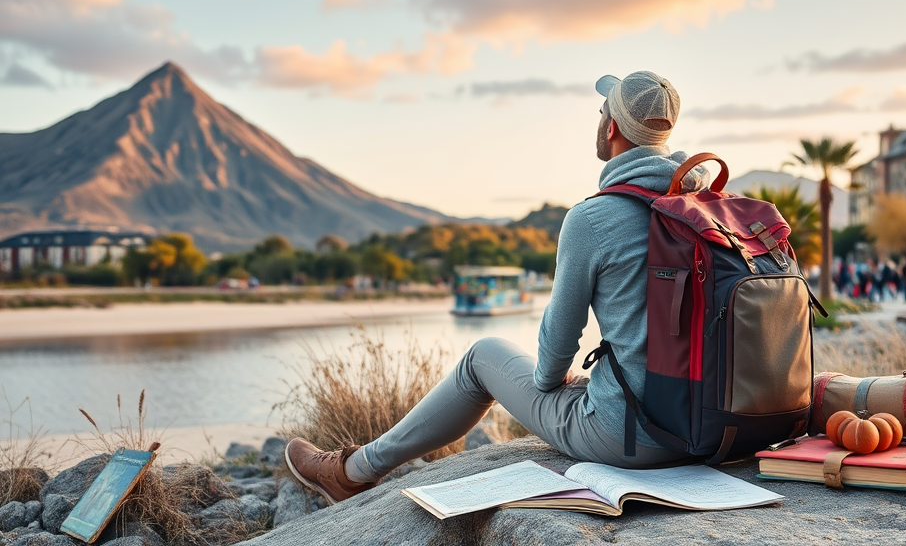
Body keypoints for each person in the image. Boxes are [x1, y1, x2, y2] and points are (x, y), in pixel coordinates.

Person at [284, 71, 703, 504]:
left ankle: (352, 472)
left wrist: (562, 380)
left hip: (635, 441)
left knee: (482, 357)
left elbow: (553, 358)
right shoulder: (707, 212)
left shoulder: (594, 219)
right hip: (713, 432)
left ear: (611, 126)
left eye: (601, 112)